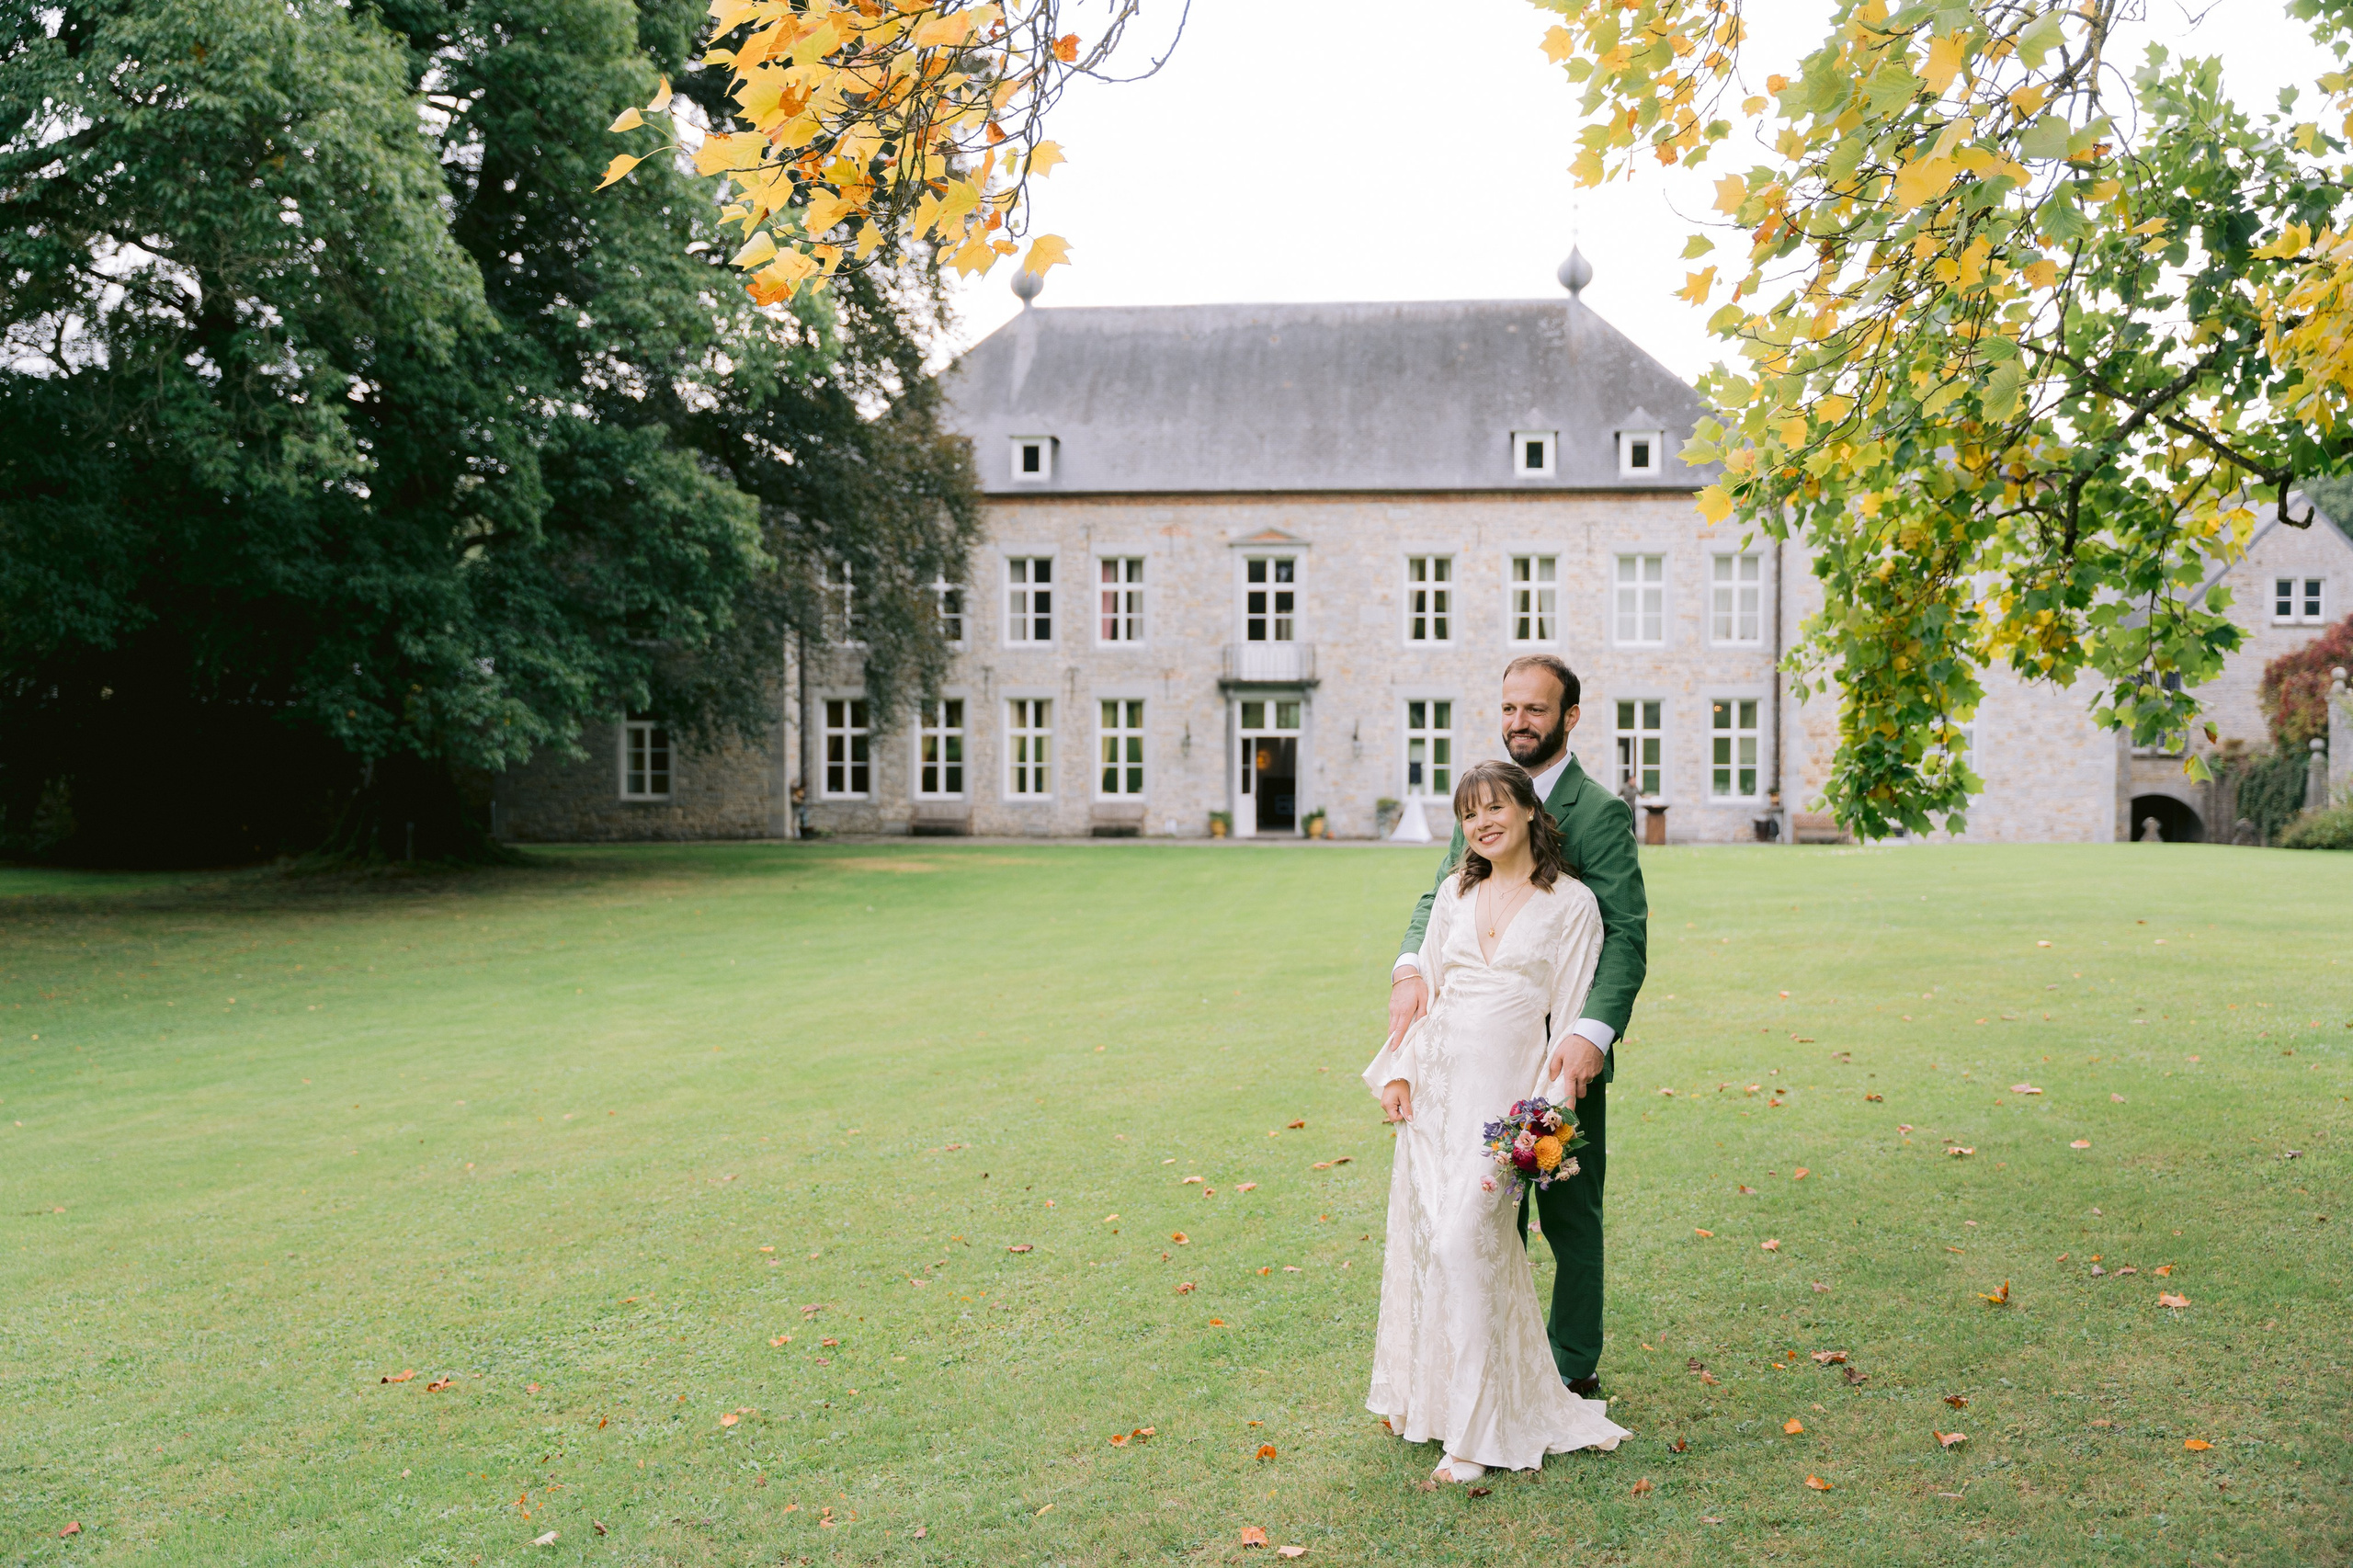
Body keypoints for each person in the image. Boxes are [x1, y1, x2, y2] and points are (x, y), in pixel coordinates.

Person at [1362, 758, 1631, 1482]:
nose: (1481, 823)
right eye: (1468, 813)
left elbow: (1571, 1022)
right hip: (1436, 1099)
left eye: (1495, 808)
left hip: (1506, 1110)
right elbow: (1431, 995)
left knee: (1464, 1243)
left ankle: (1478, 1441)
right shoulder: (1454, 892)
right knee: (1430, 1247)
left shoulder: (1571, 904)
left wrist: (1541, 1129)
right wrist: (1396, 1071)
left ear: (1527, 812)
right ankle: (1439, 1404)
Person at [1387, 654, 1646, 1400]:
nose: (1518, 723)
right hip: (1471, 1067)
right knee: (1479, 1219)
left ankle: (1570, 1371)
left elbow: (1623, 934)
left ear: (1568, 717)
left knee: (1569, 1213)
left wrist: (1588, 1037)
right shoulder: (1487, 799)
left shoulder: (1601, 812)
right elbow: (1442, 891)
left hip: (1558, 1060)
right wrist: (1411, 970)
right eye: (1509, 709)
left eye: (1535, 710)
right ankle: (1489, 1364)